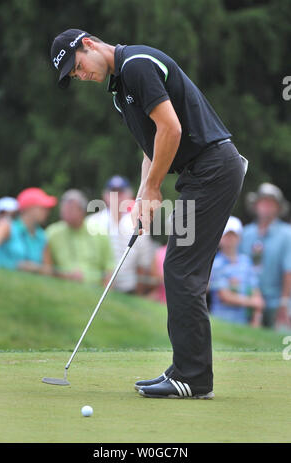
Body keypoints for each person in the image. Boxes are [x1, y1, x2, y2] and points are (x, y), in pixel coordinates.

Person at [50, 29, 248, 399]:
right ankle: (184, 369)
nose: (82, 75)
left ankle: (193, 379)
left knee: (181, 269)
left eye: (78, 67)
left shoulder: (137, 64)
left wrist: (155, 187)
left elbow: (171, 128)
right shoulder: (120, 90)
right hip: (199, 176)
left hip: (213, 171)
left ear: (89, 44)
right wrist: (144, 194)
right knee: (180, 268)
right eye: (75, 76)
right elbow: (152, 145)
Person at [87, 175, 154, 294]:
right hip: (96, 287)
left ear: (129, 195)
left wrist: (139, 294)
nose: (116, 197)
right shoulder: (92, 222)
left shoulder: (139, 223)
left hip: (129, 290)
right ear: (105, 196)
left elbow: (143, 264)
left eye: (121, 193)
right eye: (112, 192)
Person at [240, 183, 291, 330]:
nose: (266, 207)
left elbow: (289, 270)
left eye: (271, 203)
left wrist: (284, 302)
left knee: (280, 342)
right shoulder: (246, 233)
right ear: (256, 205)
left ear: (278, 208)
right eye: (263, 202)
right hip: (248, 301)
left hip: (277, 302)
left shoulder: (287, 234)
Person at [46, 189, 115, 286]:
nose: (65, 212)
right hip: (61, 291)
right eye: (63, 208)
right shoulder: (52, 233)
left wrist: (104, 295)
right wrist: (64, 275)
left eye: (70, 209)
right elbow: (46, 269)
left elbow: (110, 269)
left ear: (82, 211)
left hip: (95, 292)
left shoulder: (100, 233)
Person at [209, 216, 264, 326]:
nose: (229, 240)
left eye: (233, 236)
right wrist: (252, 302)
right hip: (220, 321)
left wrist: (256, 320)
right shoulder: (215, 263)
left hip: (243, 322)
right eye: (226, 236)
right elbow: (224, 296)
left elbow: (256, 291)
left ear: (239, 238)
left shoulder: (246, 262)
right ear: (219, 239)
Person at [0, 188, 56, 275]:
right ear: (29, 208)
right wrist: (17, 266)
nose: (47, 211)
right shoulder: (7, 226)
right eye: (43, 207)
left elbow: (48, 271)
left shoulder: (42, 237)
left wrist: (35, 268)